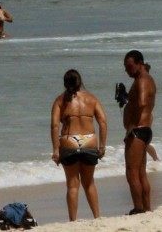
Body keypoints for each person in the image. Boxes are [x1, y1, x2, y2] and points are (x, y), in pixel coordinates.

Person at [51, 69, 108, 221]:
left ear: (65, 83)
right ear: (80, 82)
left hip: (69, 140)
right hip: (89, 140)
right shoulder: (91, 98)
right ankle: (97, 217)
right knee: (89, 183)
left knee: (72, 185)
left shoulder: (59, 101)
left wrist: (56, 150)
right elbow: (102, 122)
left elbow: (55, 126)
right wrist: (102, 146)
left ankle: (73, 221)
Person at [122, 50, 157, 214]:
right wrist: (126, 99)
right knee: (141, 172)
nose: (127, 70)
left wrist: (130, 126)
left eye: (129, 66)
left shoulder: (142, 80)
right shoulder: (146, 79)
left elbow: (141, 103)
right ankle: (146, 207)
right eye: (125, 67)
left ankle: (138, 208)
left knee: (132, 172)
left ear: (139, 63)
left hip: (137, 130)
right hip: (144, 129)